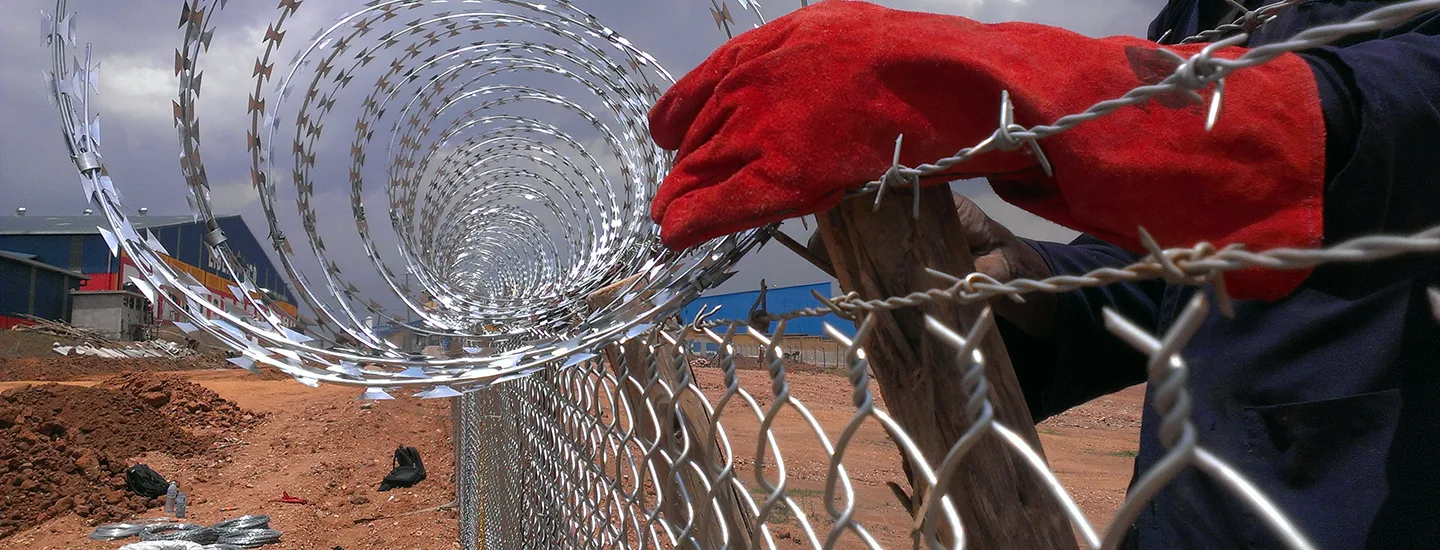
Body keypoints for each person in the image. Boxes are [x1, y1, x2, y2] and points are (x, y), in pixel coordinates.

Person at [645, 1, 1440, 548]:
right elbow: (1175, 278)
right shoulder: (1201, 15)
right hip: (1190, 508)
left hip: (1360, 504)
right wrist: (1018, 276)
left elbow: (1392, 124)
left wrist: (1017, 91)